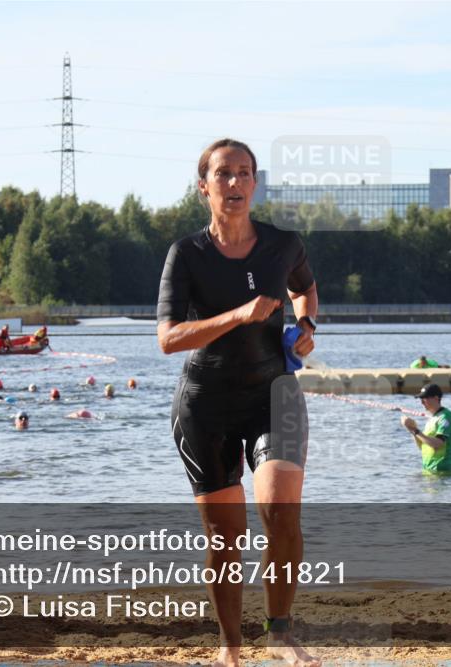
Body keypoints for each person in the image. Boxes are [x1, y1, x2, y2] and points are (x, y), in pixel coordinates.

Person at [157, 138, 319, 667]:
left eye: (245, 173)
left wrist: (306, 325)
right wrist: (237, 315)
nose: (235, 183)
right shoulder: (186, 254)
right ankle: (230, 647)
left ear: (255, 184)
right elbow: (168, 338)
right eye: (224, 174)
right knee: (227, 537)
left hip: (274, 393)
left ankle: (280, 631)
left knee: (279, 510)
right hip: (206, 406)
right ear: (203, 186)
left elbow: (305, 290)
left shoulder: (283, 244)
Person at [400, 383, 451, 475]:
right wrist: (411, 429)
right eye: (421, 399)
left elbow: (437, 443)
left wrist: (416, 431)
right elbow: (423, 446)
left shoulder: (446, 416)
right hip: (429, 470)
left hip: (443, 470)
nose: (422, 402)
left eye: (425, 398)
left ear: (436, 398)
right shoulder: (432, 419)